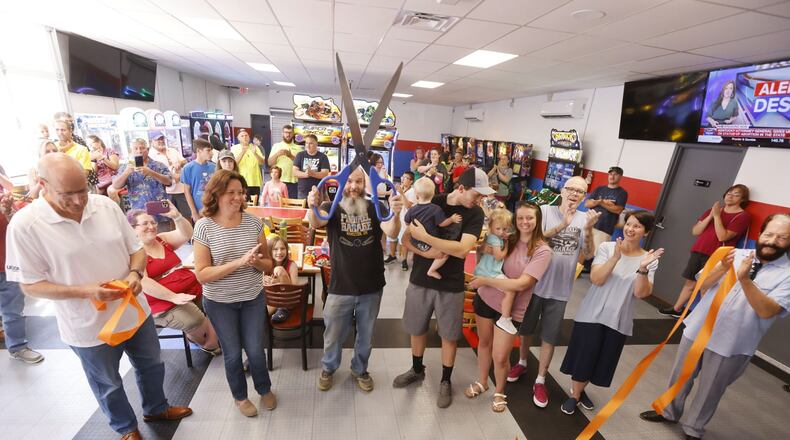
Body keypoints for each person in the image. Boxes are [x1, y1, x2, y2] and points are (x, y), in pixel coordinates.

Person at [5, 154, 192, 440]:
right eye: (68, 194)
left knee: (152, 364)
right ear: (43, 185)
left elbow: (136, 249)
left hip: (134, 310)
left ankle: (156, 408)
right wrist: (86, 291)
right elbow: (30, 285)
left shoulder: (104, 205)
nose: (80, 200)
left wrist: (135, 274)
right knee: (107, 382)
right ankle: (126, 428)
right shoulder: (26, 225)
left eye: (83, 190)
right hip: (88, 324)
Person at [640, 213, 790, 440]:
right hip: (699, 329)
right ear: (760, 234)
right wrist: (721, 268)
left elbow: (767, 310)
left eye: (782, 237)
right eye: (769, 234)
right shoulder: (733, 255)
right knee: (680, 375)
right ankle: (668, 411)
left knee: (711, 389)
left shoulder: (787, 275)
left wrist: (745, 280)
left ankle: (693, 429)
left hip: (733, 343)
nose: (772, 240)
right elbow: (702, 285)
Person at [393, 167, 491, 408]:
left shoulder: (475, 214)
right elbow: (406, 239)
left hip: (451, 285)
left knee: (449, 335)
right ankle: (417, 369)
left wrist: (426, 239)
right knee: (417, 329)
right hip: (420, 280)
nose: (480, 200)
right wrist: (426, 251)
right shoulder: (433, 201)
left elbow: (460, 249)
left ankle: (446, 380)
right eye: (477, 194)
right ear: (461, 188)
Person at [506, 176, 600, 409]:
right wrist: (563, 224)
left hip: (560, 290)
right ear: (562, 189)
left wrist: (587, 230)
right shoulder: (545, 211)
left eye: (580, 191)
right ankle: (523, 361)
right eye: (571, 189)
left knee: (549, 336)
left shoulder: (585, 219)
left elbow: (588, 254)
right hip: (533, 285)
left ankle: (540, 379)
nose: (574, 194)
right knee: (526, 329)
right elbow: (533, 239)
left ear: (584, 196)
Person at [306, 167, 402, 393]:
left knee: (366, 337)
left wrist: (396, 213)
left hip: (372, 286)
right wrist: (311, 204)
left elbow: (391, 231)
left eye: (358, 182)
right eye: (349, 181)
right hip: (340, 287)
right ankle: (328, 369)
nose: (353, 186)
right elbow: (315, 223)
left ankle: (359, 369)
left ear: (365, 185)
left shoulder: (376, 207)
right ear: (340, 183)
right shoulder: (331, 207)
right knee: (332, 336)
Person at [559, 211, 664, 415]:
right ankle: (574, 395)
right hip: (593, 313)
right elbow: (597, 279)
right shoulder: (608, 248)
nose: (630, 229)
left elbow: (641, 293)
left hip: (619, 318)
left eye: (637, 226)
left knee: (601, 359)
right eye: (628, 224)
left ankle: (580, 391)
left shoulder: (649, 259)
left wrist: (642, 268)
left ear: (646, 232)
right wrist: (615, 258)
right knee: (585, 356)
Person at [192, 169, 275, 417]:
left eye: (241, 192)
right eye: (232, 193)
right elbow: (202, 274)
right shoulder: (204, 227)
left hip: (252, 298)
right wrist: (240, 262)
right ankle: (240, 397)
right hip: (220, 303)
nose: (238, 197)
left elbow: (269, 264)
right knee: (231, 353)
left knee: (255, 349)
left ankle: (264, 389)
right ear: (217, 194)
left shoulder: (253, 222)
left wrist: (256, 263)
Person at [465, 202, 552, 412]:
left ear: (538, 220)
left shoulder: (543, 250)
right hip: (486, 299)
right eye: (520, 218)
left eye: (529, 218)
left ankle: (499, 391)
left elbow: (522, 284)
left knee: (501, 356)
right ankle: (483, 381)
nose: (524, 222)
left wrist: (485, 280)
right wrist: (482, 250)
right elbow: (483, 256)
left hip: (511, 310)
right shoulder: (508, 239)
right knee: (484, 343)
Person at [127, 208, 220, 355]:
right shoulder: (134, 252)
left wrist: (177, 216)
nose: (151, 226)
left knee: (218, 301)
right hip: (161, 300)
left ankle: (211, 336)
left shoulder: (161, 239)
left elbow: (187, 234)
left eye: (153, 222)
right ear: (132, 229)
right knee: (195, 319)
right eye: (145, 224)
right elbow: (144, 282)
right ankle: (204, 340)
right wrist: (173, 297)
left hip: (190, 287)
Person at [660, 184, 752, 318]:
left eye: (736, 194)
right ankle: (677, 309)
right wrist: (711, 216)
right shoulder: (713, 211)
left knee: (706, 287)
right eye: (729, 193)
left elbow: (722, 236)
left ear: (743, 199)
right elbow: (695, 231)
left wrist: (717, 217)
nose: (730, 196)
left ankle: (703, 318)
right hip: (699, 250)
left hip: (717, 255)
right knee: (690, 282)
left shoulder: (743, 216)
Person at [1, 177, 44, 364]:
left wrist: (8, 210)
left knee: (12, 310)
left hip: (5, 266)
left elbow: (17, 226)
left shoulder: (4, 198)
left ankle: (18, 346)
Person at [404, 177, 463, 279]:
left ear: (416, 195)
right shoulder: (435, 209)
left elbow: (406, 222)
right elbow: (442, 223)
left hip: (414, 241)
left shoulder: (412, 210)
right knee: (444, 254)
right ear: (433, 194)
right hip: (428, 243)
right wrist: (452, 219)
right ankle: (432, 270)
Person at [474, 208, 517, 335]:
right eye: (498, 229)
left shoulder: (493, 236)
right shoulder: (493, 238)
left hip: (488, 271)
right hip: (490, 273)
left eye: (505, 229)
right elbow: (499, 256)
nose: (502, 232)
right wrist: (507, 244)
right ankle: (505, 318)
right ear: (491, 227)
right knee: (510, 290)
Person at [112, 138, 172, 214]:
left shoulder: (158, 165)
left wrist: (151, 172)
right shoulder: (126, 167)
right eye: (136, 148)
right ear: (131, 151)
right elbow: (115, 186)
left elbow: (169, 181)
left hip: (160, 210)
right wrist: (126, 172)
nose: (139, 151)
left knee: (163, 225)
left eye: (142, 148)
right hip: (139, 212)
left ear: (148, 149)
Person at [584, 166, 628, 269]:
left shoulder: (622, 193)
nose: (612, 176)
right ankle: (579, 269)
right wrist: (601, 202)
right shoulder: (599, 189)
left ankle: (594, 273)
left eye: (615, 174)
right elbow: (587, 204)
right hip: (589, 223)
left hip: (605, 227)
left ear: (620, 177)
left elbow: (618, 210)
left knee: (598, 253)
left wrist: (600, 202)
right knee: (584, 248)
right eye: (610, 174)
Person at [148, 133, 190, 219]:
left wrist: (179, 163)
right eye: (158, 139)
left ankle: (188, 232)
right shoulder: (150, 155)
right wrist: (171, 176)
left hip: (180, 189)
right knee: (169, 217)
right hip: (164, 193)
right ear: (152, 141)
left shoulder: (173, 150)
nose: (161, 141)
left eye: (162, 139)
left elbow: (185, 161)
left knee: (186, 215)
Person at [263, 235, 299, 324]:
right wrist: (263, 281)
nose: (279, 252)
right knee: (260, 316)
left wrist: (276, 283)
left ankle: (283, 310)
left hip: (288, 299)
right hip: (272, 300)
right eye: (275, 249)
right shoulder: (266, 264)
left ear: (287, 250)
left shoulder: (292, 265)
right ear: (270, 251)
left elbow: (295, 291)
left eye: (282, 249)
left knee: (278, 269)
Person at [181, 139, 216, 223]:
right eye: (208, 150)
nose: (211, 153)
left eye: (211, 150)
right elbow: (187, 192)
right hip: (198, 208)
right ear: (198, 151)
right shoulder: (188, 168)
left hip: (214, 207)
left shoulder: (214, 166)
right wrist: (193, 211)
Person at [388, 171, 415, 270]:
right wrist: (393, 192)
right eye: (402, 177)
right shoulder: (399, 189)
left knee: (403, 240)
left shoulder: (412, 191)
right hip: (395, 217)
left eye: (406, 178)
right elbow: (390, 201)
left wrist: (402, 194)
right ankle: (392, 255)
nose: (403, 179)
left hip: (404, 219)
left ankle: (404, 260)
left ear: (411, 181)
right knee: (392, 236)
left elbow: (408, 205)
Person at [268, 124, 302, 198]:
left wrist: (290, 155)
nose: (288, 134)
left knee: (292, 206)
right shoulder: (276, 146)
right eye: (286, 132)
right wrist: (277, 154)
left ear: (293, 134)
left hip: (294, 182)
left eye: (290, 132)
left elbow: (301, 165)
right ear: (282, 133)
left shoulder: (299, 148)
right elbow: (270, 163)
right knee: (278, 205)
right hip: (278, 181)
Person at [293, 134, 330, 199]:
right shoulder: (300, 155)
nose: (308, 145)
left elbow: (325, 174)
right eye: (306, 143)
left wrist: (312, 173)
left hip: (318, 191)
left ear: (316, 144)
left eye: (311, 143)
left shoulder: (323, 157)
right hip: (303, 191)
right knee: (304, 209)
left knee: (318, 209)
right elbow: (294, 172)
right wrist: (306, 174)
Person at [231, 129, 265, 201]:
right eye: (242, 136)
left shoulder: (255, 147)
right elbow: (233, 163)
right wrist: (243, 152)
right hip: (241, 182)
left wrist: (255, 153)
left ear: (249, 137)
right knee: (242, 205)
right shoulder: (234, 148)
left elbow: (262, 162)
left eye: (246, 135)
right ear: (238, 138)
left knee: (254, 205)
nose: (244, 137)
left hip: (255, 182)